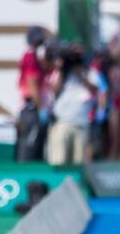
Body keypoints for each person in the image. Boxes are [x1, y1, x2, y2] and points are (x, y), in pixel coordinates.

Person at [48, 44, 96, 165]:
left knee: (78, 162)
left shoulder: (89, 72)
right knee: (59, 160)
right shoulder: (61, 72)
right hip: (63, 122)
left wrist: (80, 74)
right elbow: (54, 90)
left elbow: (94, 89)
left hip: (81, 123)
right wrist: (62, 70)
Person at [17, 26, 47, 161]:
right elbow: (32, 84)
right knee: (30, 147)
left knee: (35, 147)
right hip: (31, 109)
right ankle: (25, 178)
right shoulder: (30, 56)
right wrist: (41, 109)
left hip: (33, 109)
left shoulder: (33, 55)